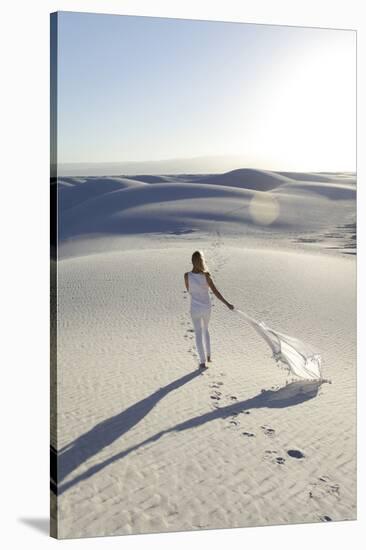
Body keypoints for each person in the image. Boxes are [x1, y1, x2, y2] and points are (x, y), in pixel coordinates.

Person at [184, 250, 234, 369]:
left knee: (198, 333)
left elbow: (189, 290)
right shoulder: (206, 276)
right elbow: (216, 292)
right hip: (206, 307)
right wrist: (227, 304)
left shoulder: (187, 276)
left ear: (192, 261)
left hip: (195, 308)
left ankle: (202, 362)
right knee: (205, 329)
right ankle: (209, 356)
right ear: (202, 261)